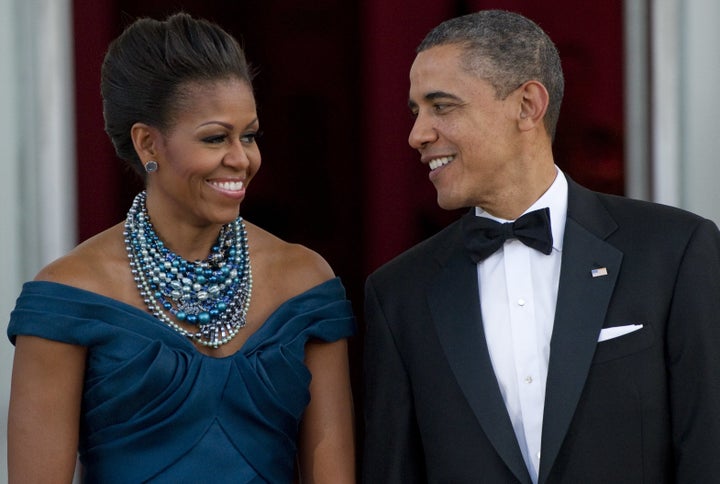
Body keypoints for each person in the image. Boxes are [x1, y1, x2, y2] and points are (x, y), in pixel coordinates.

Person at [362, 9, 720, 484]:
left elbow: (709, 452)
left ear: (527, 105)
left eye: (441, 106)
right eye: (416, 111)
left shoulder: (674, 252)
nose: (417, 134)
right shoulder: (398, 295)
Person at [7, 12, 356, 484]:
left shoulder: (304, 282)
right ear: (148, 144)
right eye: (215, 138)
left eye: (249, 136)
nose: (241, 159)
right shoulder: (69, 296)